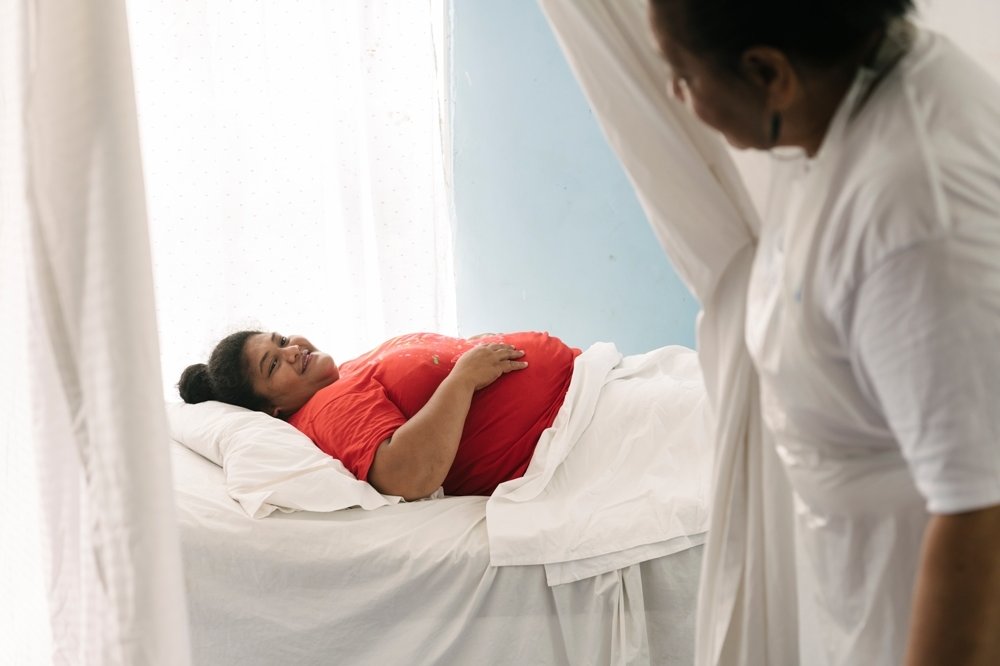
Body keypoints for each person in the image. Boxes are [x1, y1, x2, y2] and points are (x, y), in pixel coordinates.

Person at [646, 1, 1000, 664]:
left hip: (922, 614)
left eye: (683, 75)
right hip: (862, 584)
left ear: (769, 74)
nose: (675, 92)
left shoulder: (920, 216)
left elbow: (984, 514)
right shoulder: (839, 109)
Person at [179, 330, 579, 500]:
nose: (291, 350)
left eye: (281, 340)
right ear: (272, 408)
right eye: (273, 364)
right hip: (571, 428)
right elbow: (406, 476)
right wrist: (462, 379)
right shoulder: (327, 408)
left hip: (580, 391)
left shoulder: (340, 376)